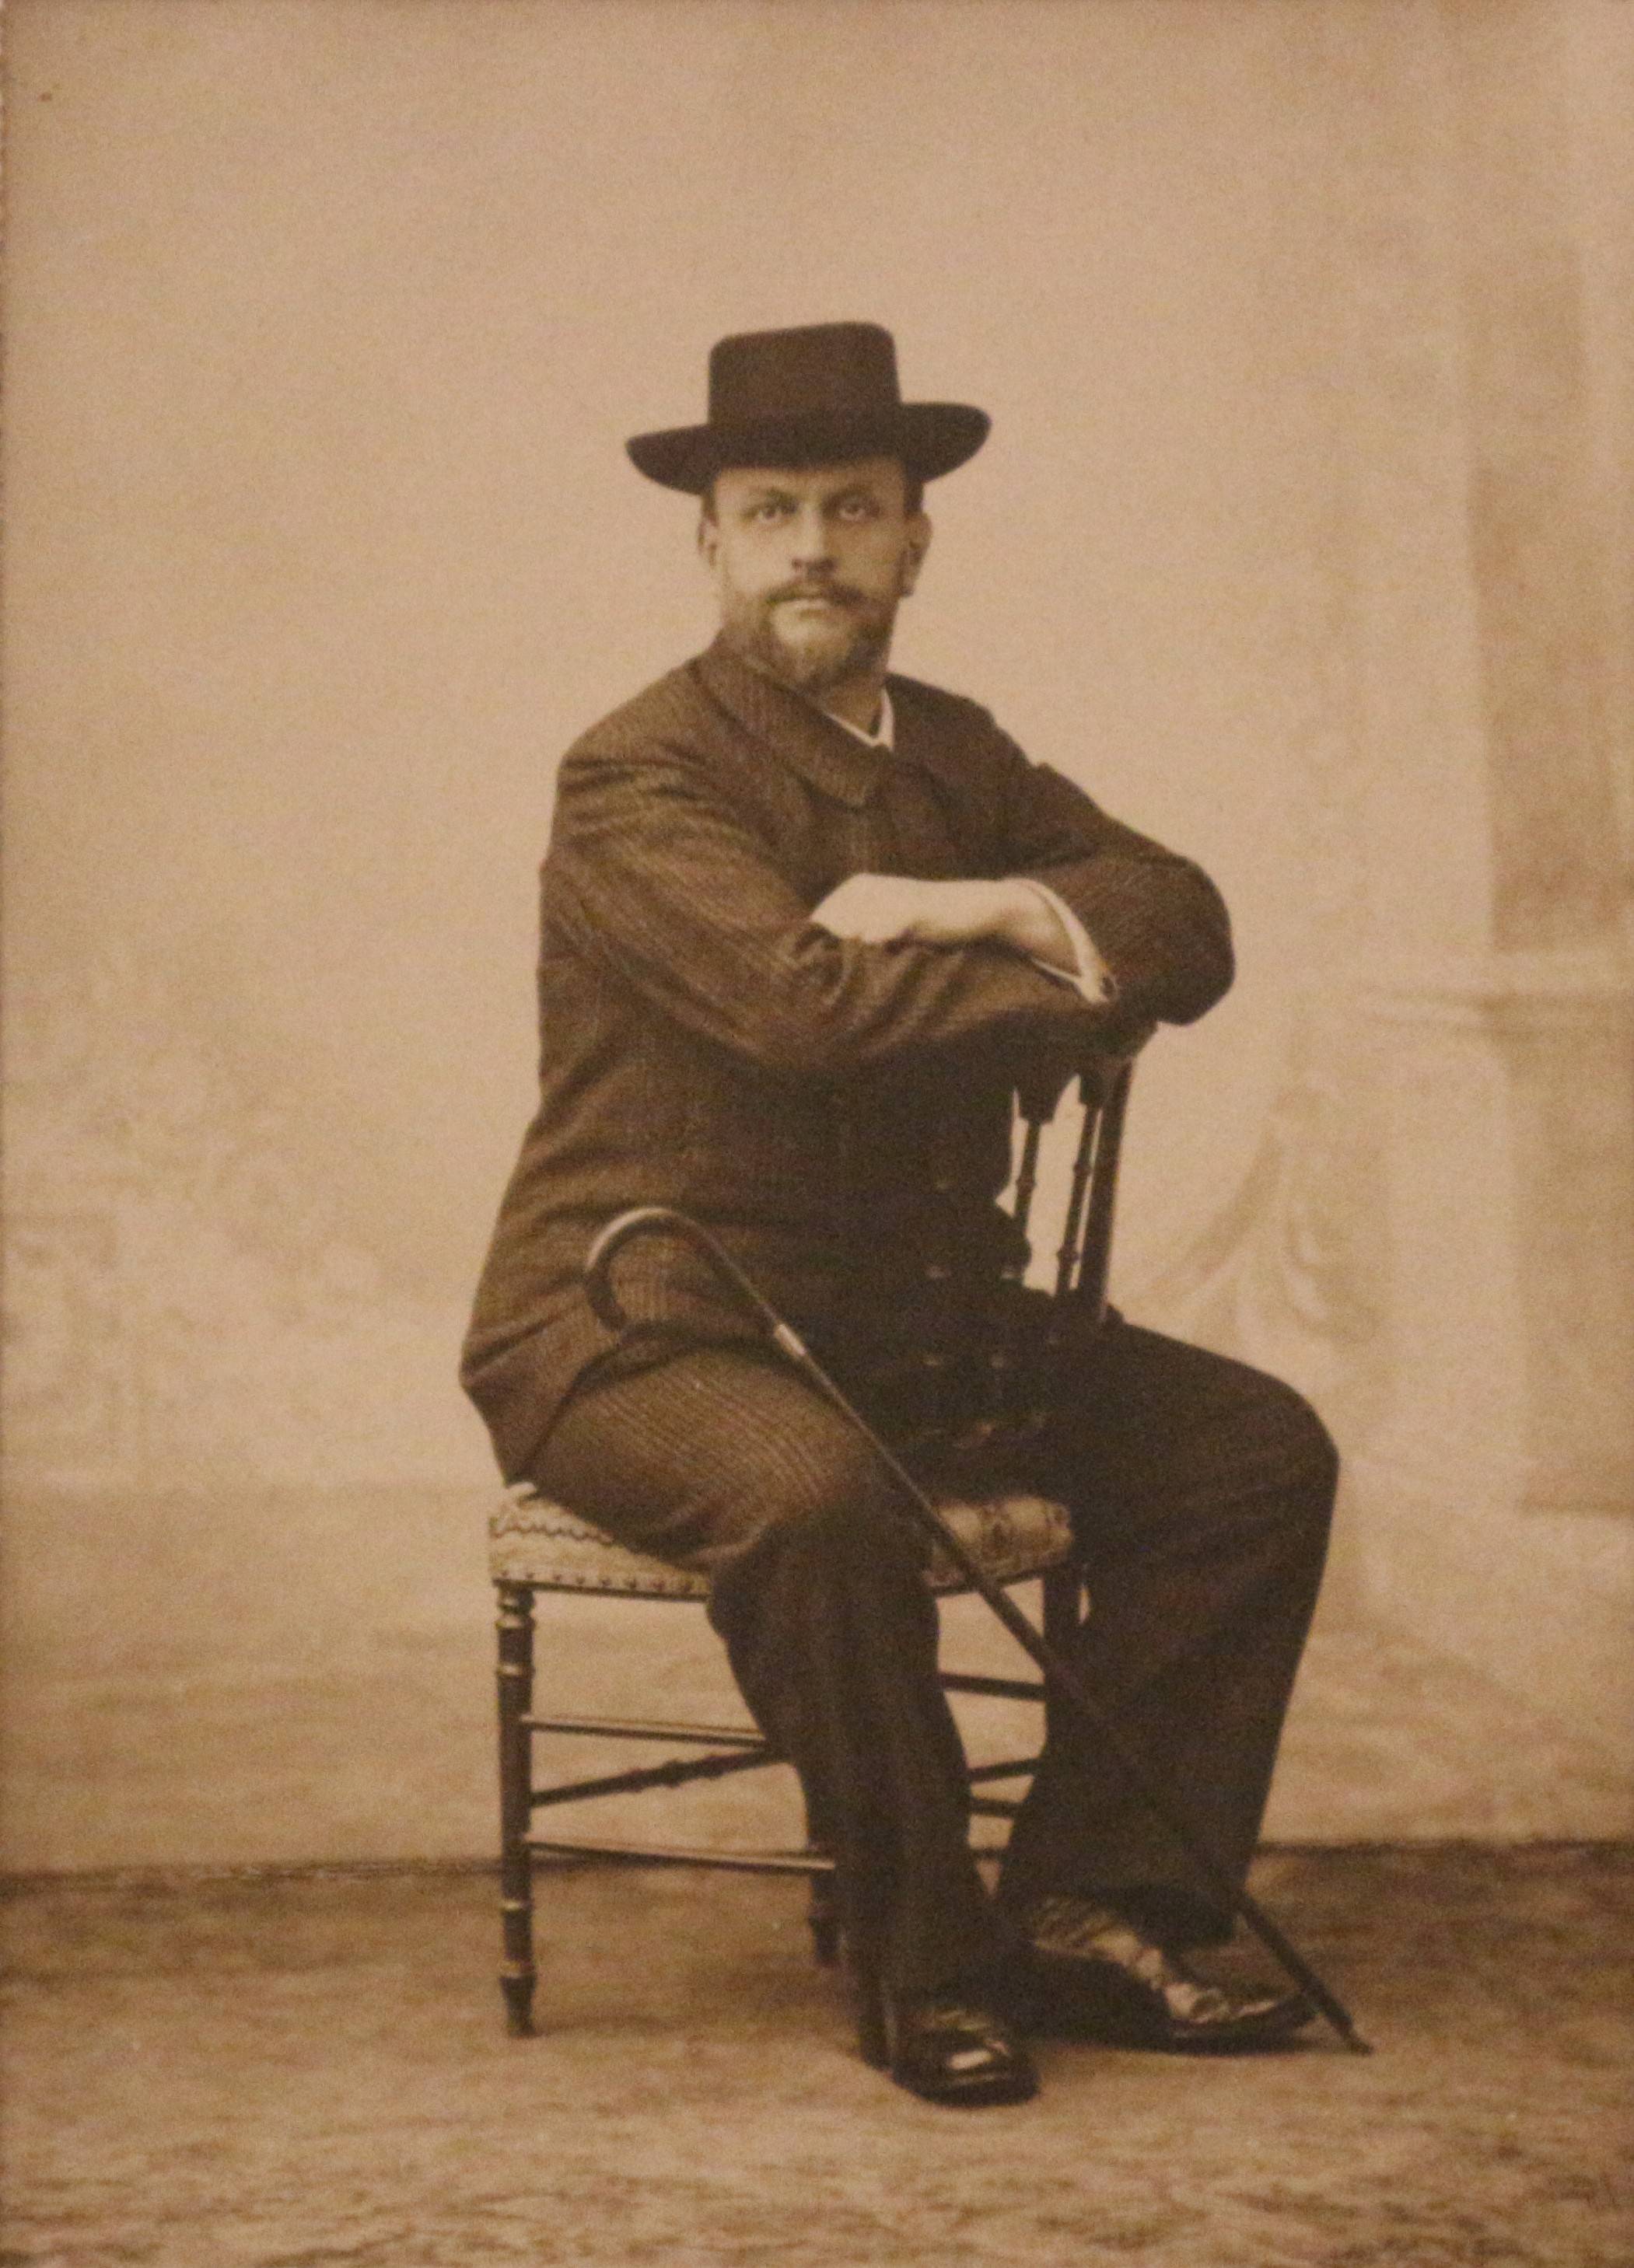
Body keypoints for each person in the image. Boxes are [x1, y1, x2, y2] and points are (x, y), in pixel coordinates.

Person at [463, 323, 1338, 2107]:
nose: (812, 550)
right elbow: (809, 1013)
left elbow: (1183, 915)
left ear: (913, 540)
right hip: (646, 1326)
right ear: (708, 542)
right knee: (814, 1501)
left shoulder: (957, 755)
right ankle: (926, 1958)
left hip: (918, 1329)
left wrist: (975, 907)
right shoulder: (639, 775)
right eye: (769, 511)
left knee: (1250, 1455)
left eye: (852, 509)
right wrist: (1069, 981)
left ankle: (1094, 1905)